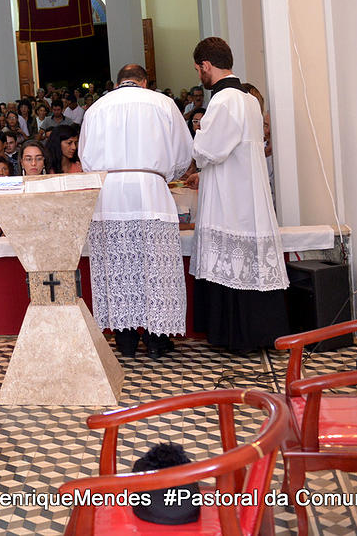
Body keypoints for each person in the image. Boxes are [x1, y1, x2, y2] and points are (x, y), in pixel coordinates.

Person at [79, 64, 194, 358]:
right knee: (155, 267)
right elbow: (184, 152)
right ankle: (156, 341)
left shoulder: (96, 108)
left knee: (118, 266)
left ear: (118, 82)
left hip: (110, 195)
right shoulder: (163, 103)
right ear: (144, 82)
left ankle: (125, 340)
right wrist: (164, 176)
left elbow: (86, 159)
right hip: (150, 190)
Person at [188, 37, 289, 353]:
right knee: (248, 266)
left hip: (229, 197)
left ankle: (234, 337)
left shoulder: (223, 100)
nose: (199, 76)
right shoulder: (248, 100)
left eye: (198, 70)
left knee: (229, 264)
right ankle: (258, 334)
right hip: (249, 195)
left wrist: (198, 135)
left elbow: (208, 151)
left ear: (206, 65)